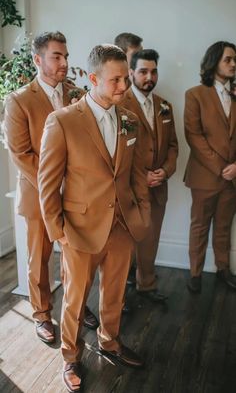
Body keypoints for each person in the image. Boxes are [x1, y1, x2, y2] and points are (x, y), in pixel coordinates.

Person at [38, 44, 150, 391]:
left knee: (115, 293)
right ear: (92, 78)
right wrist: (59, 233)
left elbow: (135, 176)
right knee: (74, 298)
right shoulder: (63, 121)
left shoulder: (129, 120)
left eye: (125, 78)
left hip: (121, 226)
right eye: (115, 80)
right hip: (80, 230)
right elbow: (47, 184)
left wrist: (140, 216)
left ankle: (110, 341)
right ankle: (70, 355)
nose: (123, 86)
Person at [4, 31, 97, 345]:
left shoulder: (76, 94)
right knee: (39, 259)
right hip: (38, 196)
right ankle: (42, 314)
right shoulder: (18, 100)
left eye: (66, 56)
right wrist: (53, 188)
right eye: (57, 56)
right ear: (37, 59)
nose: (64, 63)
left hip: (76, 195)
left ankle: (75, 307)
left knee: (75, 256)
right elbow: (20, 154)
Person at [122, 49, 178, 302]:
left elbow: (174, 147)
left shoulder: (165, 106)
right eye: (143, 71)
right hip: (128, 190)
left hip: (157, 188)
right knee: (123, 245)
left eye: (153, 71)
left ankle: (147, 284)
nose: (149, 77)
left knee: (151, 240)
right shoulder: (118, 104)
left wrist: (165, 171)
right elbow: (114, 151)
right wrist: (139, 178)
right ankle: (118, 295)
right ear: (131, 73)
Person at [184, 41, 236, 293]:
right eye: (228, 59)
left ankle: (223, 269)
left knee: (224, 226)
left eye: (235, 60)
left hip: (233, 177)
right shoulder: (195, 94)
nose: (233, 64)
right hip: (205, 176)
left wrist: (235, 167)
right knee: (200, 225)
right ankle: (195, 273)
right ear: (214, 61)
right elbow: (193, 136)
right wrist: (221, 167)